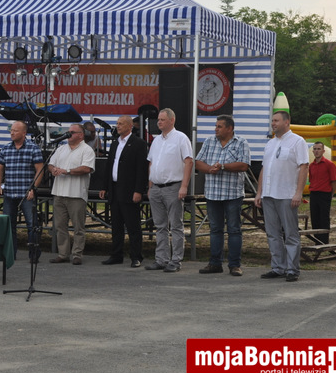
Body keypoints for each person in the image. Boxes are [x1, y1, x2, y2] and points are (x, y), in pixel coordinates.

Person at [254, 110, 309, 282]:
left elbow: (304, 167)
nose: (273, 124)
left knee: (290, 233)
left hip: (286, 194)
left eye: (276, 120)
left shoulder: (297, 141)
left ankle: (292, 269)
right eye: (272, 121)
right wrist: (259, 192)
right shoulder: (270, 144)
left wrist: (298, 192)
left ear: (287, 122)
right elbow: (264, 169)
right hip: (269, 194)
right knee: (272, 233)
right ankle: (278, 267)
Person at [194, 115, 250, 276]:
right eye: (216, 126)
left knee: (234, 229)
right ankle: (215, 263)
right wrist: (209, 169)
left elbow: (244, 165)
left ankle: (234, 265)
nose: (216, 129)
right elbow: (198, 162)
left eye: (219, 126)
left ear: (229, 128)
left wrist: (223, 166)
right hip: (212, 193)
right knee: (215, 229)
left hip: (232, 194)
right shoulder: (209, 141)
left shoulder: (241, 142)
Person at [145, 108, 193, 273]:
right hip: (156, 187)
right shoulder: (156, 140)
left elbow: (188, 162)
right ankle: (161, 259)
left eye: (162, 120)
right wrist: (150, 186)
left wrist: (184, 186)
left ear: (172, 120)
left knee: (176, 225)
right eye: (158, 119)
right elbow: (151, 163)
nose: (159, 122)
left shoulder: (181, 138)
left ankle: (176, 260)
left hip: (173, 186)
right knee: (160, 225)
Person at [99, 116, 148, 267]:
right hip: (114, 189)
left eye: (121, 124)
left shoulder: (138, 143)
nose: (118, 126)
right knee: (116, 225)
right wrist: (104, 187)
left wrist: (138, 190)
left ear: (129, 126)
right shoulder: (115, 143)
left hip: (129, 190)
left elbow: (141, 169)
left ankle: (136, 256)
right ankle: (116, 255)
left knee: (133, 226)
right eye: (117, 123)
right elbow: (109, 165)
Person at [0, 121, 44, 262]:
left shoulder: (33, 148)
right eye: (11, 130)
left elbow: (40, 170)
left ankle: (34, 255)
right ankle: (10, 254)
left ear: (24, 133)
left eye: (15, 130)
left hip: (26, 194)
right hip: (10, 193)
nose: (12, 133)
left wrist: (33, 188)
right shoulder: (6, 148)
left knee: (32, 225)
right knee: (9, 225)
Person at [48, 123, 95, 265]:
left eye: (72, 132)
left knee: (78, 227)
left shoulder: (87, 150)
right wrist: (53, 169)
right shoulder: (61, 148)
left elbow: (86, 168)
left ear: (81, 135)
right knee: (60, 225)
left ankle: (77, 254)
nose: (68, 134)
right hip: (59, 192)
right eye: (68, 132)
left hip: (76, 194)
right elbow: (50, 163)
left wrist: (66, 171)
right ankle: (63, 254)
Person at [308, 141, 336, 244]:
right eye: (315, 149)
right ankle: (317, 241)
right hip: (313, 194)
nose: (316, 151)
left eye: (319, 149)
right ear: (312, 151)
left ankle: (324, 242)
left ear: (323, 151)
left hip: (325, 194)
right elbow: (311, 180)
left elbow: (334, 181)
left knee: (324, 218)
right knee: (314, 217)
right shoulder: (311, 165)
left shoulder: (330, 164)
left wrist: (331, 194)